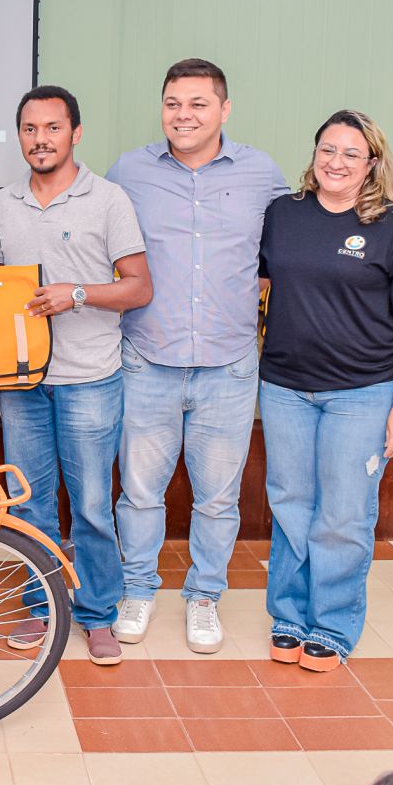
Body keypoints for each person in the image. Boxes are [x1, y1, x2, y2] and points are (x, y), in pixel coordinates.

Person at [106, 58, 290, 653]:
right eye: (172, 104)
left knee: (218, 499)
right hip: (147, 359)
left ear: (224, 109)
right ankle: (137, 589)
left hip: (229, 366)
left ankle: (205, 596)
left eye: (197, 104)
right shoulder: (128, 171)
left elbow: (289, 249)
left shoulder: (262, 173)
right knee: (139, 492)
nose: (182, 115)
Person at [258, 110, 393, 670]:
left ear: (372, 163)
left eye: (351, 154)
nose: (336, 162)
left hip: (361, 392)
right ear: (313, 154)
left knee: (343, 514)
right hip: (284, 387)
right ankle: (289, 615)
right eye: (327, 149)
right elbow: (258, 282)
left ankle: (331, 625)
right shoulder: (284, 213)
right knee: (290, 505)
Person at [0, 86, 151, 664]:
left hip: (89, 379)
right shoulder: (1, 205)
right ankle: (42, 604)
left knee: (90, 507)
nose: (41, 139)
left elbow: (139, 287)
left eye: (52, 128)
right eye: (30, 129)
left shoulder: (108, 199)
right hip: (22, 383)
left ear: (75, 133)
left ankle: (98, 613)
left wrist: (77, 294)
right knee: (29, 505)